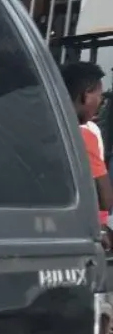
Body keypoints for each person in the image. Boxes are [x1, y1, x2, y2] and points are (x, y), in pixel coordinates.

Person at [61, 60, 112, 235]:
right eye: (100, 96)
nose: (101, 102)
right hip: (73, 227)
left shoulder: (37, 123)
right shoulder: (83, 134)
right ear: (86, 95)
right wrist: (102, 224)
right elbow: (104, 198)